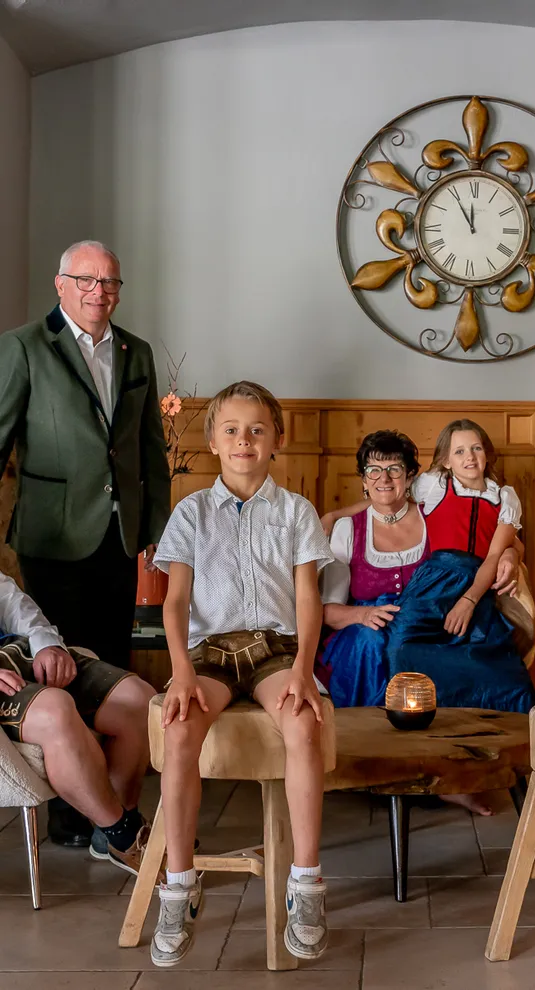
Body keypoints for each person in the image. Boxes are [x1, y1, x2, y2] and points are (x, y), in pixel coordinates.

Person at [150, 380, 333, 968]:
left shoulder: (296, 510)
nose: (244, 440)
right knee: (179, 729)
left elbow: (309, 599)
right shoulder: (191, 511)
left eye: (257, 429)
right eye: (231, 429)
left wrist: (304, 668)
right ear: (211, 441)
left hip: (278, 650)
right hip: (209, 652)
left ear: (277, 439)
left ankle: (306, 881)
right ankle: (179, 883)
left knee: (303, 724)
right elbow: (175, 602)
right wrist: (180, 672)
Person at [0, 240, 171, 847]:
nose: (100, 291)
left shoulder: (137, 352)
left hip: (119, 536)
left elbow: (150, 449)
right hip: (51, 534)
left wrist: (158, 535)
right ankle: (75, 815)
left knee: (109, 667)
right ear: (61, 284)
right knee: (60, 670)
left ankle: (108, 809)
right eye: (88, 280)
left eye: (111, 282)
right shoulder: (22, 347)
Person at [322, 420, 535, 713]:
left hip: (436, 614)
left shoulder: (429, 510)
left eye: (394, 469)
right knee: (373, 642)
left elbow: (486, 541)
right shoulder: (349, 529)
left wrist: (512, 553)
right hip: (367, 628)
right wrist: (333, 516)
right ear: (363, 479)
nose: (384, 478)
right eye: (373, 470)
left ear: (410, 478)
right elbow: (327, 610)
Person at [0, 570, 155, 872]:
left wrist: (46, 644)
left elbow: (10, 600)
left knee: (140, 701)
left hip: (19, 653)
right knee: (57, 710)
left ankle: (112, 834)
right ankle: (127, 838)